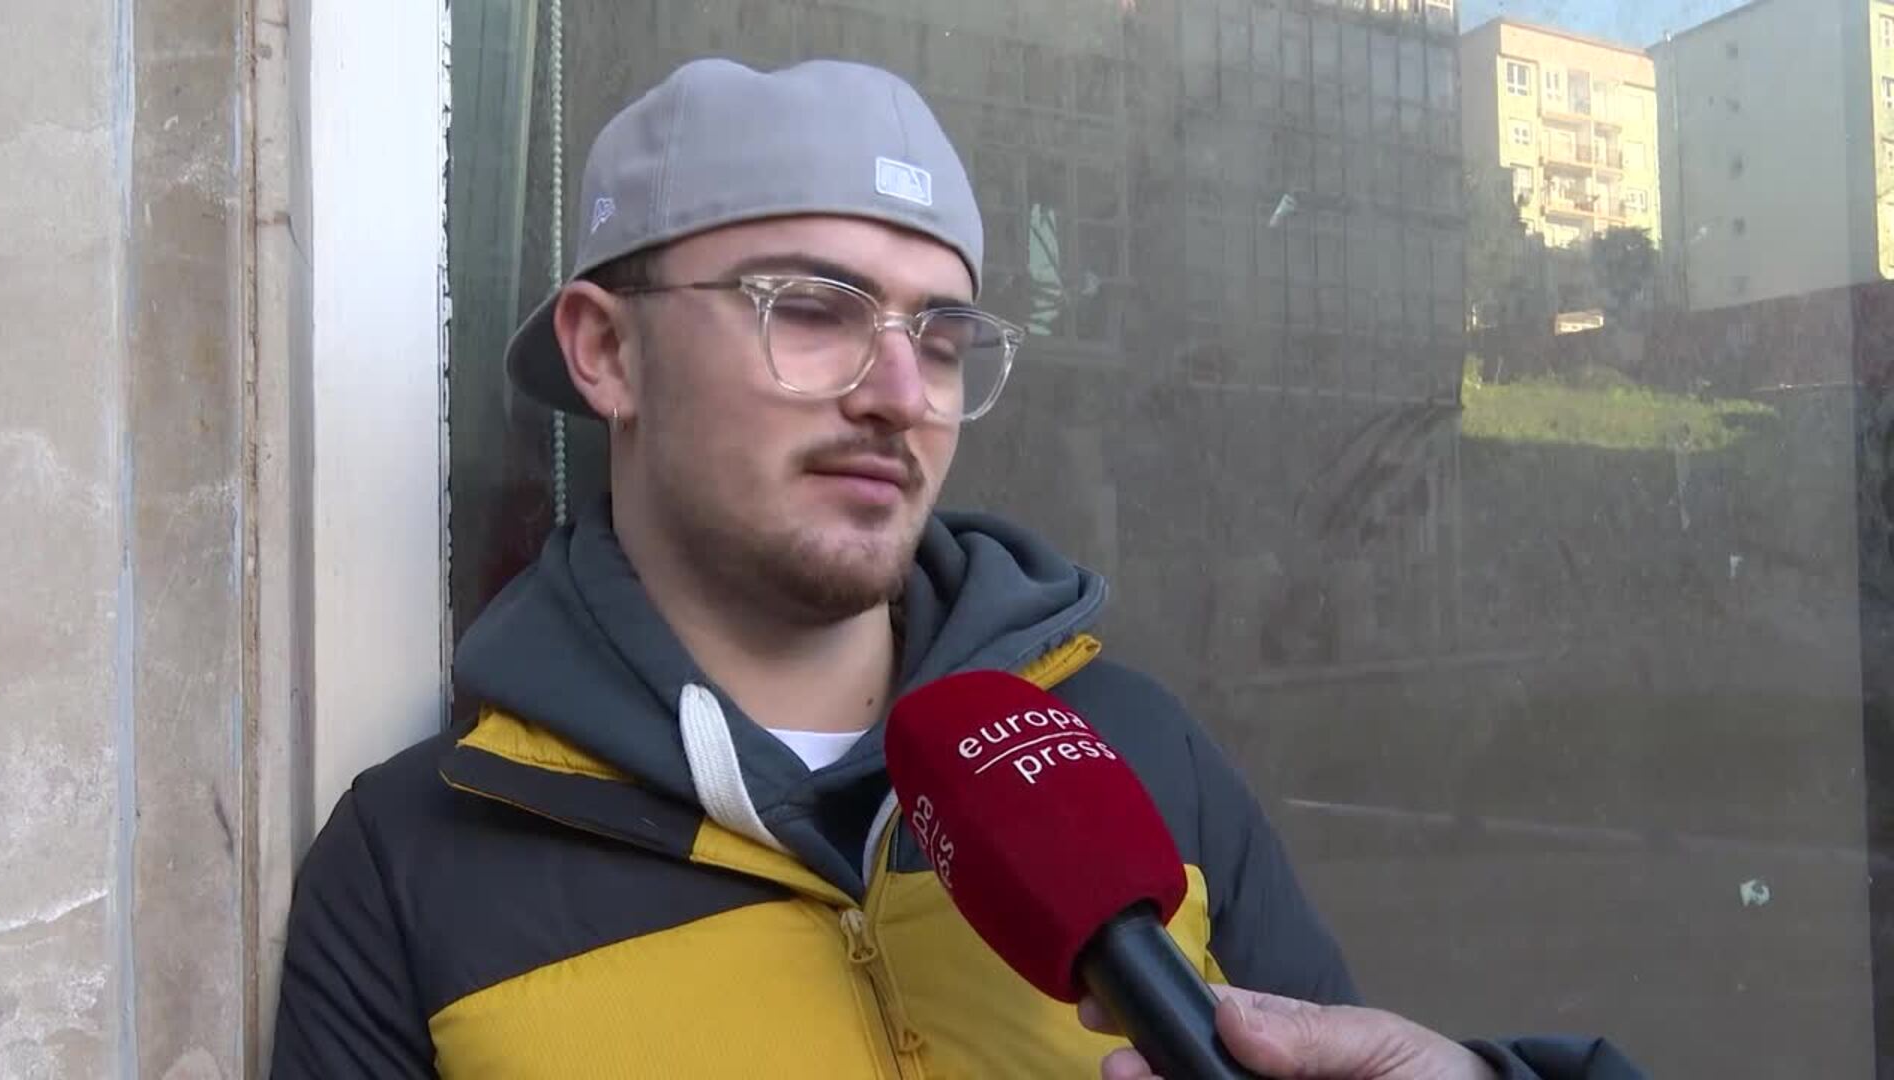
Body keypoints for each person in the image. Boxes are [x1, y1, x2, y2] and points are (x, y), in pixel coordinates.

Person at [270, 58, 1639, 1079]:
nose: (899, 395)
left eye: (941, 338)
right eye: (814, 309)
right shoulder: (411, 864)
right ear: (606, 351)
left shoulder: (1137, 755)